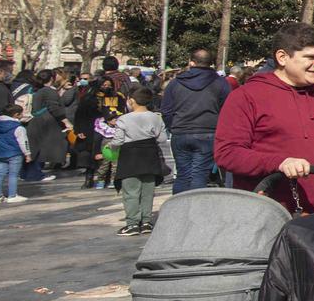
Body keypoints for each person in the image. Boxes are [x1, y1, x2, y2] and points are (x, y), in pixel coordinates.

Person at [214, 22, 314, 214]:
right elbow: (227, 153)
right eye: (310, 57)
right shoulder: (247, 96)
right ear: (282, 57)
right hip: (264, 214)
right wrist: (279, 162)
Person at [160, 46, 229, 193]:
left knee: (183, 174)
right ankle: (195, 211)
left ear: (191, 62)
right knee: (200, 174)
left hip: (181, 131)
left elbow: (166, 110)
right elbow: (228, 109)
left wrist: (173, 126)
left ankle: (179, 209)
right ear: (210, 63)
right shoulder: (220, 83)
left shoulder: (175, 83)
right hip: (207, 132)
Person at [108, 88, 170, 234]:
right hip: (150, 155)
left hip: (130, 156)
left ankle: (132, 223)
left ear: (132, 101)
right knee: (148, 191)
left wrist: (110, 147)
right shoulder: (156, 117)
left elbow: (117, 140)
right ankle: (146, 222)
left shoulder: (124, 119)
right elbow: (161, 139)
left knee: (131, 191)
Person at [77, 73, 126, 190]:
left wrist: (113, 119)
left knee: (109, 153)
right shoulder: (89, 97)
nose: (106, 87)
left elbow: (117, 111)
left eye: (109, 85)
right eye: (104, 85)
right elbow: (80, 114)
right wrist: (79, 129)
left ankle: (109, 178)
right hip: (90, 127)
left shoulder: (114, 97)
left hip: (109, 127)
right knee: (92, 153)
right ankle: (90, 177)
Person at [0, 103, 27, 204]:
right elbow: (23, 141)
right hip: (15, 153)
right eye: (21, 114)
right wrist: (27, 153)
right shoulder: (18, 127)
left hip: (1, 153)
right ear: (16, 115)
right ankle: (12, 195)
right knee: (13, 175)